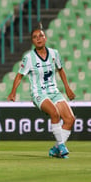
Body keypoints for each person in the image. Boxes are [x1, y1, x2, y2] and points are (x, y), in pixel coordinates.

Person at [7, 25, 76, 158]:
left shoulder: (54, 53)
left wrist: (67, 88)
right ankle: (61, 146)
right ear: (32, 41)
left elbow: (60, 69)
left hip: (54, 91)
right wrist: (13, 92)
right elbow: (19, 75)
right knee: (54, 113)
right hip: (39, 93)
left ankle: (55, 149)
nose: (38, 39)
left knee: (70, 119)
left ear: (45, 38)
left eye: (41, 36)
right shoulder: (29, 58)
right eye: (35, 37)